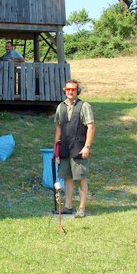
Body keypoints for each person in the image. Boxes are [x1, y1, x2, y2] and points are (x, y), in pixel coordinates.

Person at [54, 80, 95, 218]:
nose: (70, 92)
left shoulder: (84, 106)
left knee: (81, 178)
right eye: (68, 89)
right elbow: (58, 126)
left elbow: (91, 126)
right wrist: (56, 145)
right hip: (65, 147)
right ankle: (68, 206)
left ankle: (82, 208)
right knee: (67, 178)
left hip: (79, 147)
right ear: (64, 90)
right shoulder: (60, 107)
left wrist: (87, 147)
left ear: (78, 91)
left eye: (73, 89)